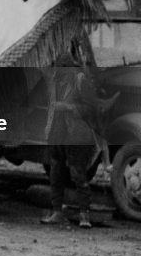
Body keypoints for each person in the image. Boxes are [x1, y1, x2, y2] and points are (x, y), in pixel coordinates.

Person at [40, 46, 116, 229]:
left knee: (78, 175)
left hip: (77, 135)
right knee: (56, 173)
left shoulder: (81, 81)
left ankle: (84, 215)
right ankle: (57, 211)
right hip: (58, 134)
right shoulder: (56, 82)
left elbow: (92, 110)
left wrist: (68, 108)